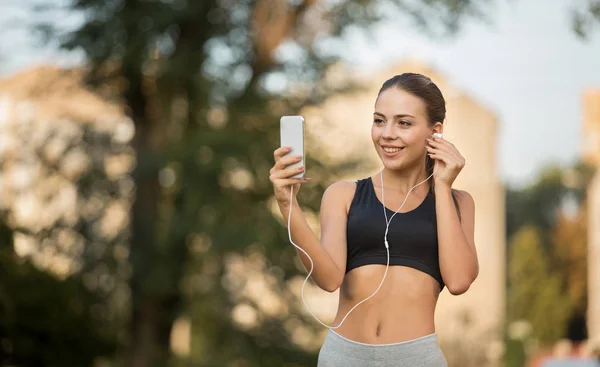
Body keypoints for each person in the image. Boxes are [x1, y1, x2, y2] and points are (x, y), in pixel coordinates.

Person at [269, 73, 479, 367]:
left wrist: (442, 186)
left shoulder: (458, 203)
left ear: (436, 132)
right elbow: (328, 279)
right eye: (379, 120)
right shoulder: (343, 195)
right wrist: (287, 203)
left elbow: (458, 281)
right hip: (344, 356)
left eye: (403, 123)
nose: (387, 133)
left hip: (416, 359)